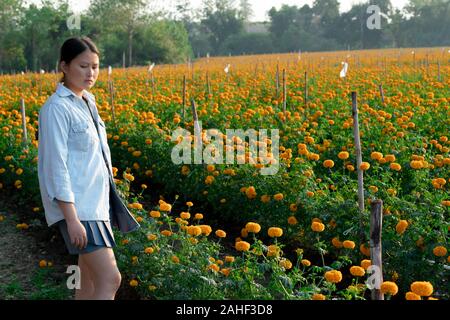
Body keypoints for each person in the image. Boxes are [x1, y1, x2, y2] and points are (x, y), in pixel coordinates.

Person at [37, 37, 121, 300]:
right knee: (110, 278)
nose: (91, 73)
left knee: (88, 284)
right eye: (83, 66)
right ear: (64, 65)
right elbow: (56, 167)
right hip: (80, 210)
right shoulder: (56, 109)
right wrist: (72, 219)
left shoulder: (87, 102)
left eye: (95, 66)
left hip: (96, 207)